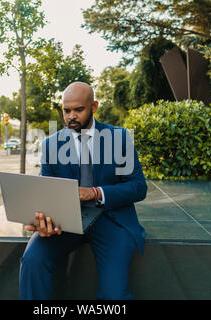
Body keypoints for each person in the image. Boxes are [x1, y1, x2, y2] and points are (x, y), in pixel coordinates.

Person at [19, 82, 147, 300]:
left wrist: (96, 193)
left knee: (114, 295)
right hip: (65, 221)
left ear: (94, 106)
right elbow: (45, 189)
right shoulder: (51, 144)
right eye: (66, 111)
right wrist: (42, 220)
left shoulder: (119, 138)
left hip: (110, 218)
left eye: (79, 110)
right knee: (32, 260)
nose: (71, 116)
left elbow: (138, 187)